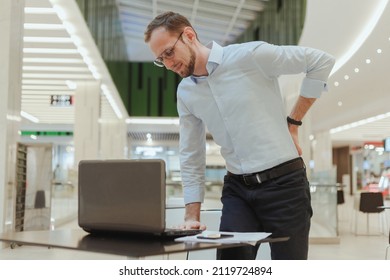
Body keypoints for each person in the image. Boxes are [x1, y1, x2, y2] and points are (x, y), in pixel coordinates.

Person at [144, 11, 335, 260]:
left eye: (169, 53)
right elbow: (191, 153)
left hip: (285, 185)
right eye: (160, 60)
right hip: (238, 191)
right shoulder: (186, 93)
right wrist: (192, 215)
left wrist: (294, 121)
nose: (168, 64)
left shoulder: (251, 56)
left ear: (189, 35)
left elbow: (321, 62)